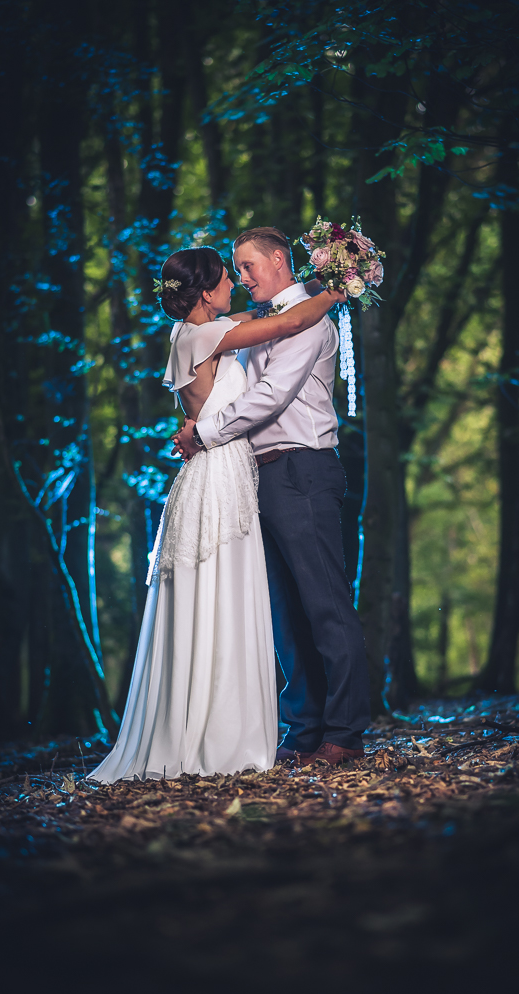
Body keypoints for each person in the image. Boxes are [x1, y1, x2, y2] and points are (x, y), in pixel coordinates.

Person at [89, 246, 346, 782]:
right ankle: (219, 732)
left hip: (225, 469)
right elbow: (293, 319)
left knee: (229, 594)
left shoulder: (200, 329)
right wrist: (340, 289)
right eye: (229, 277)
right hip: (221, 468)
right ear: (206, 292)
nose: (236, 283)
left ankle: (217, 724)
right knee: (225, 593)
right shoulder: (206, 335)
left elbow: (266, 314)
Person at [173, 228, 370, 767]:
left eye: (247, 265)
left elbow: (269, 396)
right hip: (256, 478)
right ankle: (304, 729)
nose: (240, 277)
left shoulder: (308, 321)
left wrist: (205, 433)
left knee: (325, 605)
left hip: (302, 468)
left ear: (279, 260)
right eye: (235, 269)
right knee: (286, 613)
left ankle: (345, 732)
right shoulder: (255, 323)